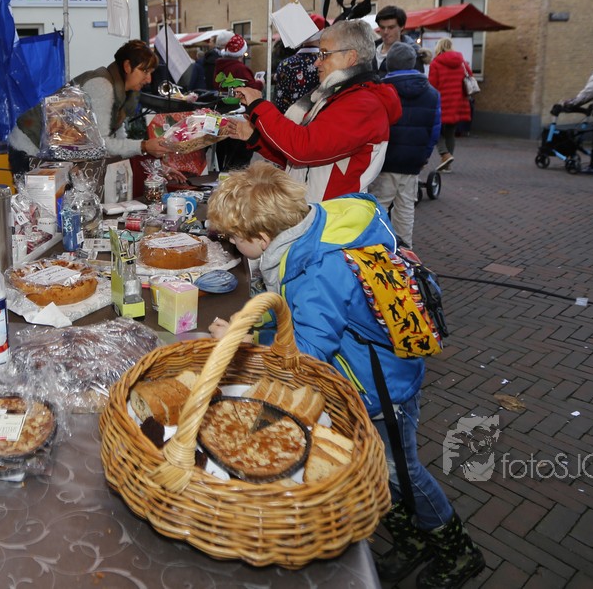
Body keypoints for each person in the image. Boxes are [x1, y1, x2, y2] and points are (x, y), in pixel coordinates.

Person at [207, 163, 486, 588]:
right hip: (364, 376)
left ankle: (457, 550)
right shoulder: (307, 238)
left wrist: (244, 346)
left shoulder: (318, 272)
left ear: (262, 237)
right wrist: (256, 329)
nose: (230, 244)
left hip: (381, 388)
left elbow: (307, 354)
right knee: (378, 468)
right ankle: (410, 540)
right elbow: (292, 318)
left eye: (232, 238)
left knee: (401, 471)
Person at [223, 19, 401, 203]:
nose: (317, 62)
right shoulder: (332, 96)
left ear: (350, 57)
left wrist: (259, 106)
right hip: (314, 209)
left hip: (334, 213)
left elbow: (303, 149)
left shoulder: (363, 104)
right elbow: (297, 162)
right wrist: (255, 137)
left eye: (324, 54)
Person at [8, 39, 168, 174]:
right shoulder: (102, 86)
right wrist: (144, 146)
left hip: (50, 152)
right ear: (127, 66)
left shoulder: (122, 94)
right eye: (145, 71)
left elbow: (118, 139)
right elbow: (103, 144)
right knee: (42, 201)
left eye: (151, 73)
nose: (149, 79)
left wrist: (156, 166)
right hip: (29, 147)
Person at [369, 42, 441, 247]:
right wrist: (424, 155)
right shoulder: (432, 93)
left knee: (379, 206)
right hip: (413, 161)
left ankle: (378, 247)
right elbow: (434, 129)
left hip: (386, 160)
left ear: (389, 64)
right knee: (406, 206)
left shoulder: (381, 90)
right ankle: (405, 248)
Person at [213, 32, 263, 170]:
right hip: (238, 114)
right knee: (239, 156)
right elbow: (251, 89)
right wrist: (260, 83)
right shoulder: (240, 68)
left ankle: (222, 176)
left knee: (223, 151)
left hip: (221, 112)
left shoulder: (219, 65)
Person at [427, 38, 472, 172]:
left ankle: (445, 154)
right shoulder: (462, 62)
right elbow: (470, 76)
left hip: (442, 102)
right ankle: (447, 165)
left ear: (438, 47)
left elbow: (432, 85)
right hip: (458, 102)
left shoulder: (436, 63)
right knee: (450, 133)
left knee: (434, 130)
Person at [271, 14, 328, 112]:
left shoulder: (285, 64)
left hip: (289, 118)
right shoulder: (327, 61)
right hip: (320, 117)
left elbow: (280, 101)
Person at [375, 6, 421, 72]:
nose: (385, 32)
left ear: (401, 26)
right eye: (382, 27)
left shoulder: (413, 55)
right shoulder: (370, 50)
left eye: (391, 27)